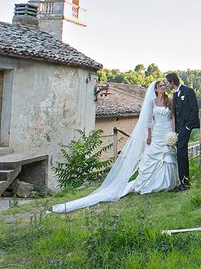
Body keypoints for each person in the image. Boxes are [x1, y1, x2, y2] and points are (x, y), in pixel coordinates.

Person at [51, 80, 179, 213]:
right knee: (153, 159)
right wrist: (149, 136)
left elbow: (172, 118)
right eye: (160, 86)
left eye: (164, 86)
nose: (163, 88)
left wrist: (173, 132)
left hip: (166, 131)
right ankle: (151, 184)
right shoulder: (152, 103)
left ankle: (167, 184)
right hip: (156, 132)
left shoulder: (169, 102)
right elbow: (149, 121)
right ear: (156, 89)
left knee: (167, 156)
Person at [165, 72, 200, 191]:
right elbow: (175, 113)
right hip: (179, 129)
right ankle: (184, 182)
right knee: (181, 154)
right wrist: (175, 130)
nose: (166, 84)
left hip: (186, 128)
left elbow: (194, 111)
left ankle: (184, 183)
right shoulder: (175, 94)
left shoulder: (188, 91)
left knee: (181, 153)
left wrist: (187, 127)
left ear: (172, 82)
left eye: (167, 82)